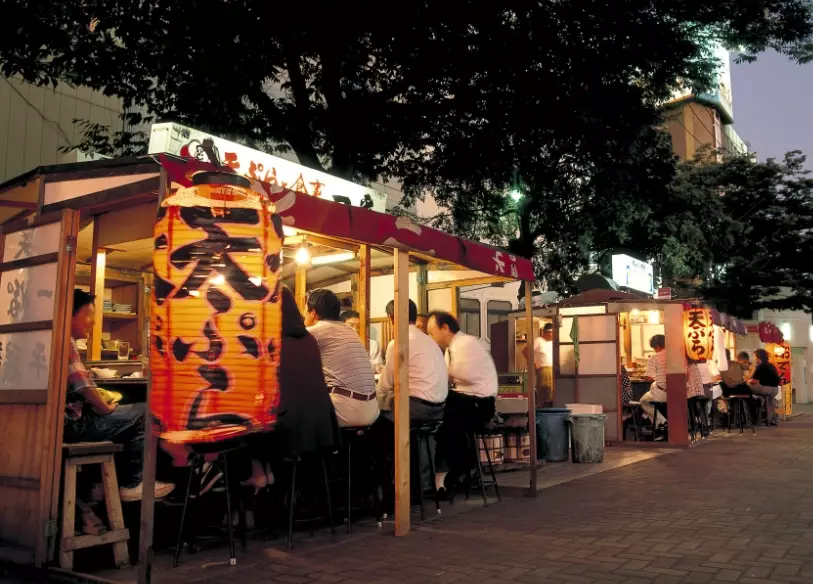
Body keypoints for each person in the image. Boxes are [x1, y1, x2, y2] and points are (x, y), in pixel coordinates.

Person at [64, 290, 174, 502]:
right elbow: (83, 387)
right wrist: (105, 408)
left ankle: (99, 485)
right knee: (145, 413)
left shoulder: (57, 342)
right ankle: (131, 482)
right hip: (74, 427)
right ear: (70, 314)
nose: (93, 323)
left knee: (135, 414)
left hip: (66, 425)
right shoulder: (65, 344)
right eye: (89, 314)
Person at [426, 311, 497, 494]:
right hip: (472, 401)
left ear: (445, 328)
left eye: (432, 333)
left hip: (479, 404)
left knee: (442, 425)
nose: (431, 338)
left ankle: (451, 474)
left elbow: (458, 374)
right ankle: (448, 475)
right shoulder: (457, 346)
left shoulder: (464, 344)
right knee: (441, 419)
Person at [306, 291, 379, 428]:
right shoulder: (349, 330)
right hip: (372, 410)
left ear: (312, 312)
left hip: (345, 411)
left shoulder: (313, 332)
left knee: (297, 412)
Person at [379, 299, 448, 423]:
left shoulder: (398, 343)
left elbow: (384, 386)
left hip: (416, 410)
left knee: (378, 419)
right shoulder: (431, 342)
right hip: (440, 410)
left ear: (391, 318)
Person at [522, 322, 554, 406]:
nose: (551, 335)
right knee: (544, 390)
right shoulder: (539, 341)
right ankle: (541, 409)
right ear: (546, 332)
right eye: (550, 333)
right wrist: (534, 363)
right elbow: (525, 351)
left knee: (552, 392)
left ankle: (550, 409)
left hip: (553, 369)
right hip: (544, 370)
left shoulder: (553, 342)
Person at [640, 334, 667, 427]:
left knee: (643, 401)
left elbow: (648, 378)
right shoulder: (675, 356)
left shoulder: (655, 357)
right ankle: (659, 425)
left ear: (658, 346)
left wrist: (655, 378)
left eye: (654, 348)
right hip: (676, 394)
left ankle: (662, 422)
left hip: (661, 394)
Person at [749, 349, 780, 424]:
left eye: (754, 357)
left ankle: (751, 413)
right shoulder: (770, 365)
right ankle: (770, 419)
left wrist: (747, 381)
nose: (753, 358)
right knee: (768, 400)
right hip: (775, 389)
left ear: (758, 357)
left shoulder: (760, 366)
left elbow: (753, 380)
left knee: (746, 386)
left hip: (767, 389)